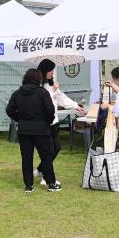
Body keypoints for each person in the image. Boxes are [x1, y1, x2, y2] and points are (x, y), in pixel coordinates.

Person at [7, 69, 60, 193]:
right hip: (41, 129)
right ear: (39, 79)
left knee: (26, 158)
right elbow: (50, 110)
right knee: (46, 157)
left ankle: (29, 186)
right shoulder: (42, 93)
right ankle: (51, 183)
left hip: (24, 130)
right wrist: (47, 121)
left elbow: (9, 110)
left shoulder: (17, 93)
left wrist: (20, 119)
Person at [35, 59, 85, 187]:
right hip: (44, 123)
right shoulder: (38, 86)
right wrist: (53, 91)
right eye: (50, 71)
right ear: (44, 71)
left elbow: (61, 98)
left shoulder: (51, 84)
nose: (52, 73)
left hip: (54, 122)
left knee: (56, 148)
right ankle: (46, 177)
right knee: (49, 150)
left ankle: (41, 170)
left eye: (53, 70)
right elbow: (43, 101)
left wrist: (76, 106)